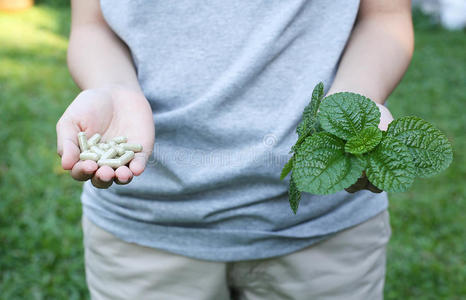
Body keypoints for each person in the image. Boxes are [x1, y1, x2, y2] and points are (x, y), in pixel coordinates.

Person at [56, 0, 414, 299]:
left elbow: (383, 16)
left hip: (323, 231)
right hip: (143, 229)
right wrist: (113, 87)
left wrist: (352, 108)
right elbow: (93, 26)